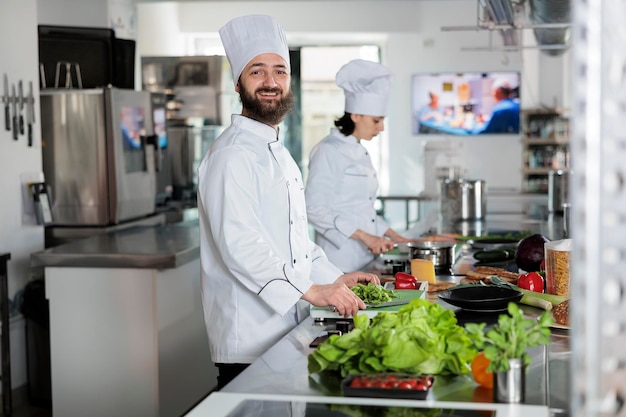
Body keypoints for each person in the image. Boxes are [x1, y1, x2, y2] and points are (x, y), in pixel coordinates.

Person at [197, 15, 380, 390]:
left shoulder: (278, 152)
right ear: (238, 83)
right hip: (247, 337)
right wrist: (311, 291)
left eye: (280, 71)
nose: (271, 82)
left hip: (282, 329)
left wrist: (333, 278)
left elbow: (294, 240)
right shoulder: (230, 155)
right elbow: (241, 245)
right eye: (257, 72)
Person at [305, 59, 416, 273]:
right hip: (339, 261)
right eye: (376, 121)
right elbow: (313, 209)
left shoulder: (360, 150)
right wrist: (365, 236)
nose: (382, 128)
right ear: (355, 115)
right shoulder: (328, 151)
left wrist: (396, 236)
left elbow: (363, 209)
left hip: (365, 258)